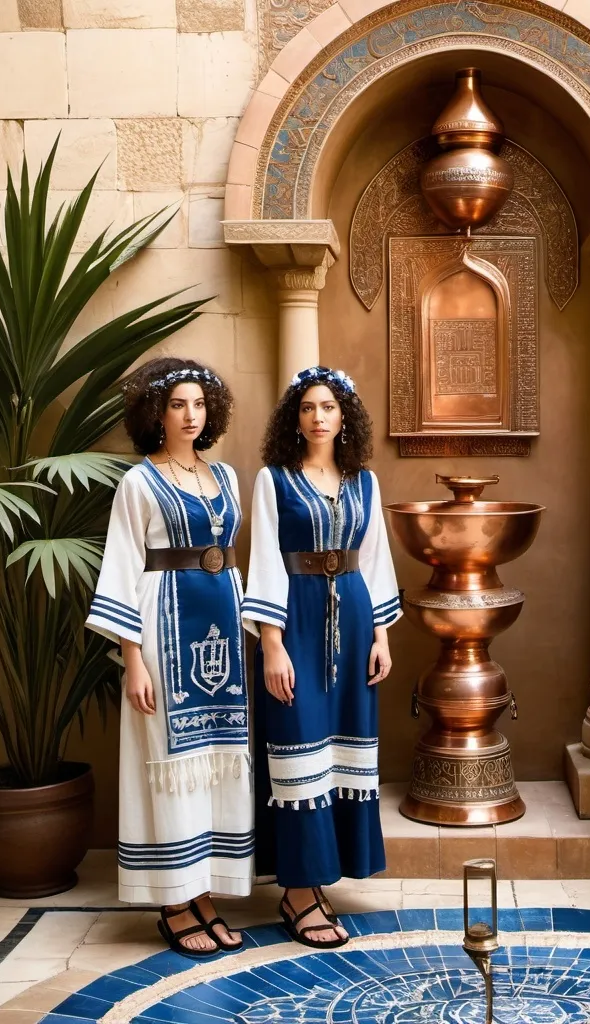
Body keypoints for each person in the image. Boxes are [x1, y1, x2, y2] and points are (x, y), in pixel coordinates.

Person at [86, 357, 252, 957]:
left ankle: (203, 892)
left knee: (216, 760)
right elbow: (124, 565)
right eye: (178, 404)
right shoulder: (139, 481)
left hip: (221, 634)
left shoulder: (228, 478)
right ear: (155, 412)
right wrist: (132, 658)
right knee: (167, 760)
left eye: (199, 404)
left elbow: (232, 555)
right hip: (160, 626)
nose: (190, 415)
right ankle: (174, 899)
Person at [243, 365, 401, 949]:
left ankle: (321, 877)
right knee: (297, 748)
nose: (317, 417)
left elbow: (377, 558)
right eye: (307, 408)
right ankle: (298, 890)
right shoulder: (273, 479)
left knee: (341, 748)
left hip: (356, 619)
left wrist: (383, 636)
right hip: (297, 617)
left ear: (344, 417)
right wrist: (272, 644)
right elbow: (262, 559)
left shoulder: (364, 481)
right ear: (295, 417)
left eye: (328, 408)